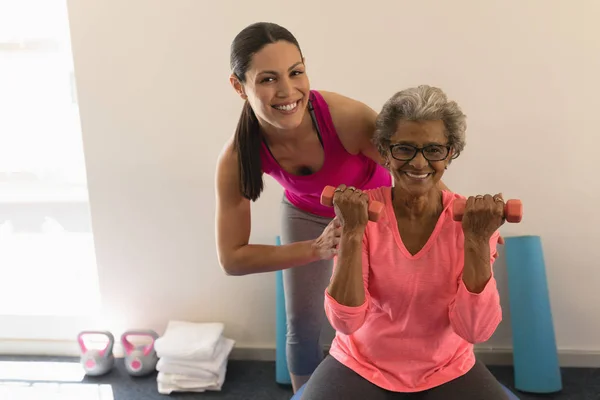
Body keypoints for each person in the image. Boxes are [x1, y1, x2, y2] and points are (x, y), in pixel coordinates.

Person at [214, 22, 449, 392]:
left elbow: (419, 171)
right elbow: (232, 258)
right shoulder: (236, 157)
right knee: (303, 325)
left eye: (296, 72)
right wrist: (314, 249)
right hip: (306, 215)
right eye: (268, 79)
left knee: (389, 314)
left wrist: (462, 225)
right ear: (238, 86)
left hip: (376, 211)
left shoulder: (347, 118)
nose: (287, 91)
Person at [300, 85, 511, 399]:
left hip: (447, 365)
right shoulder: (361, 215)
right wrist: (353, 232)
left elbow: (475, 331)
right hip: (361, 362)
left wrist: (478, 241)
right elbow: (345, 322)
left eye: (434, 150)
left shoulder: (473, 222)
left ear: (450, 152)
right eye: (404, 149)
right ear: (385, 152)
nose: (419, 163)